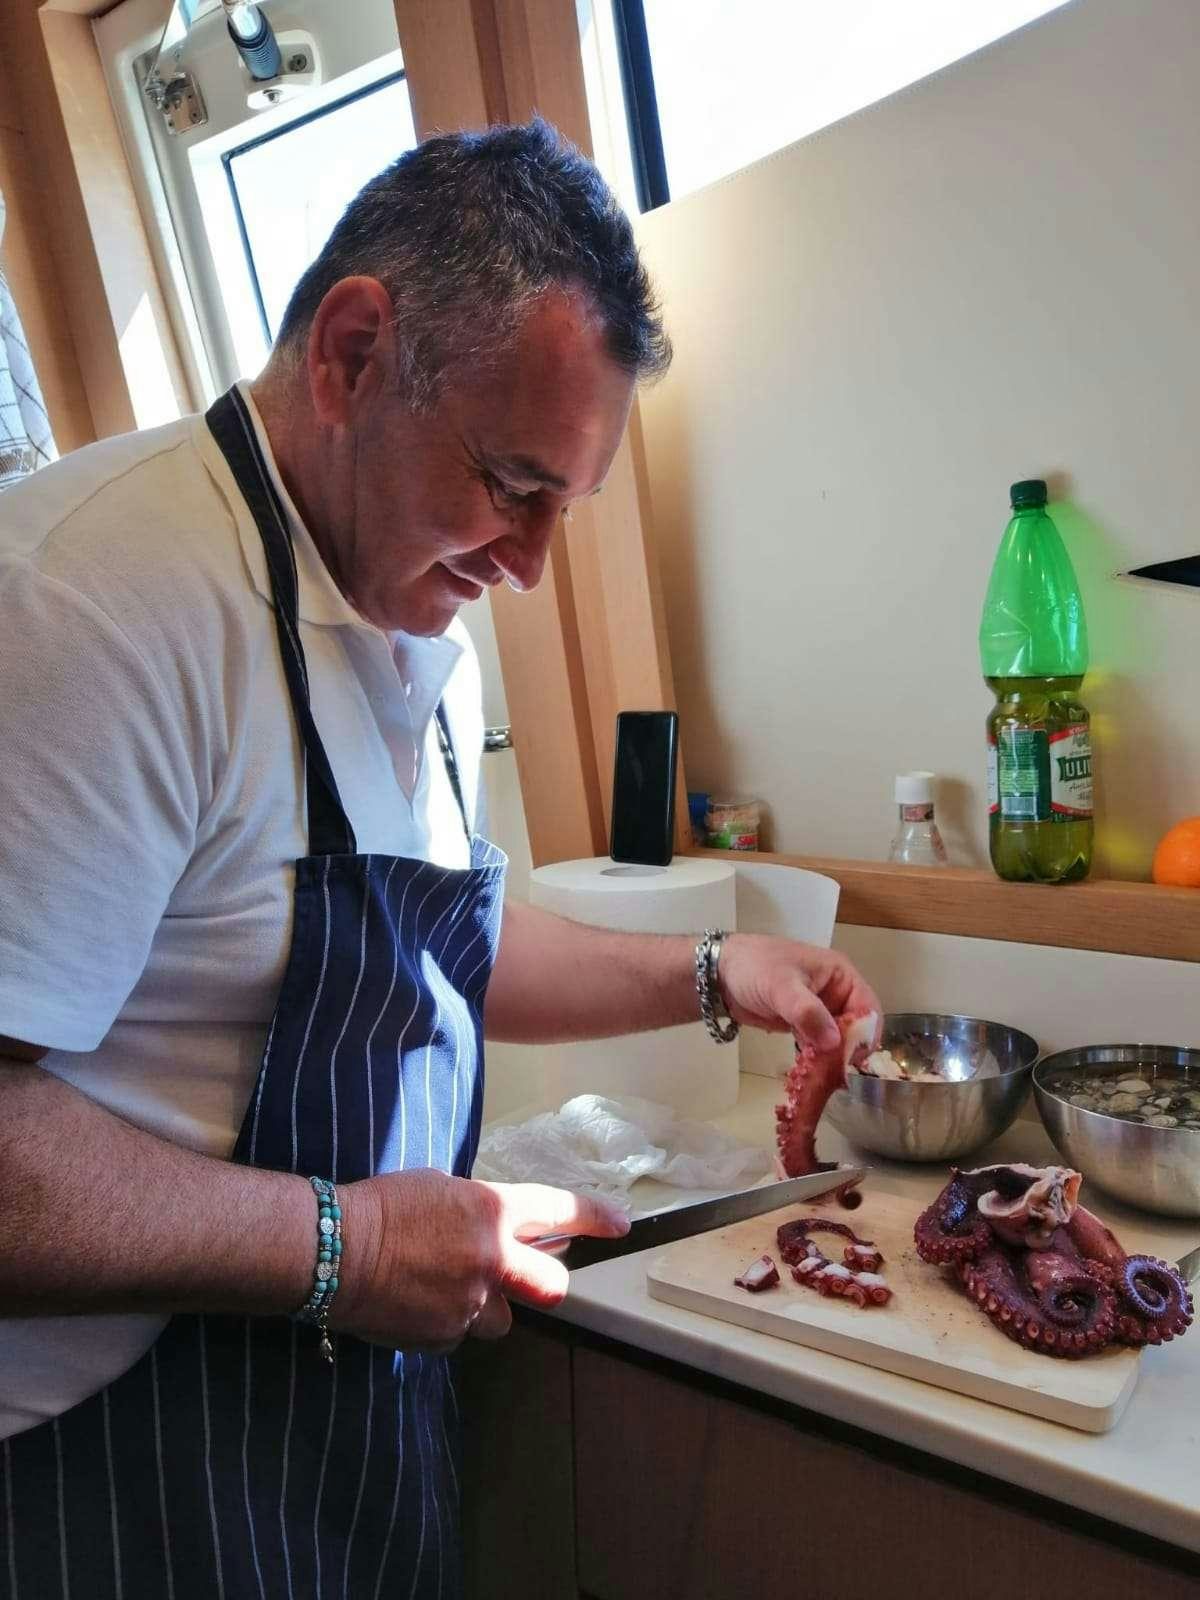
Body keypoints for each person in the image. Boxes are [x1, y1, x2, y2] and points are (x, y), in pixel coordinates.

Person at [0, 120, 879, 1597]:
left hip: (343, 1436)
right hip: (104, 1478)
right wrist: (339, 1245)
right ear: (350, 351)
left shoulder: (414, 620)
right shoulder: (89, 605)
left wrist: (719, 970)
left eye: (566, 507)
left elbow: (434, 944)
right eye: (512, 482)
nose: (532, 566)